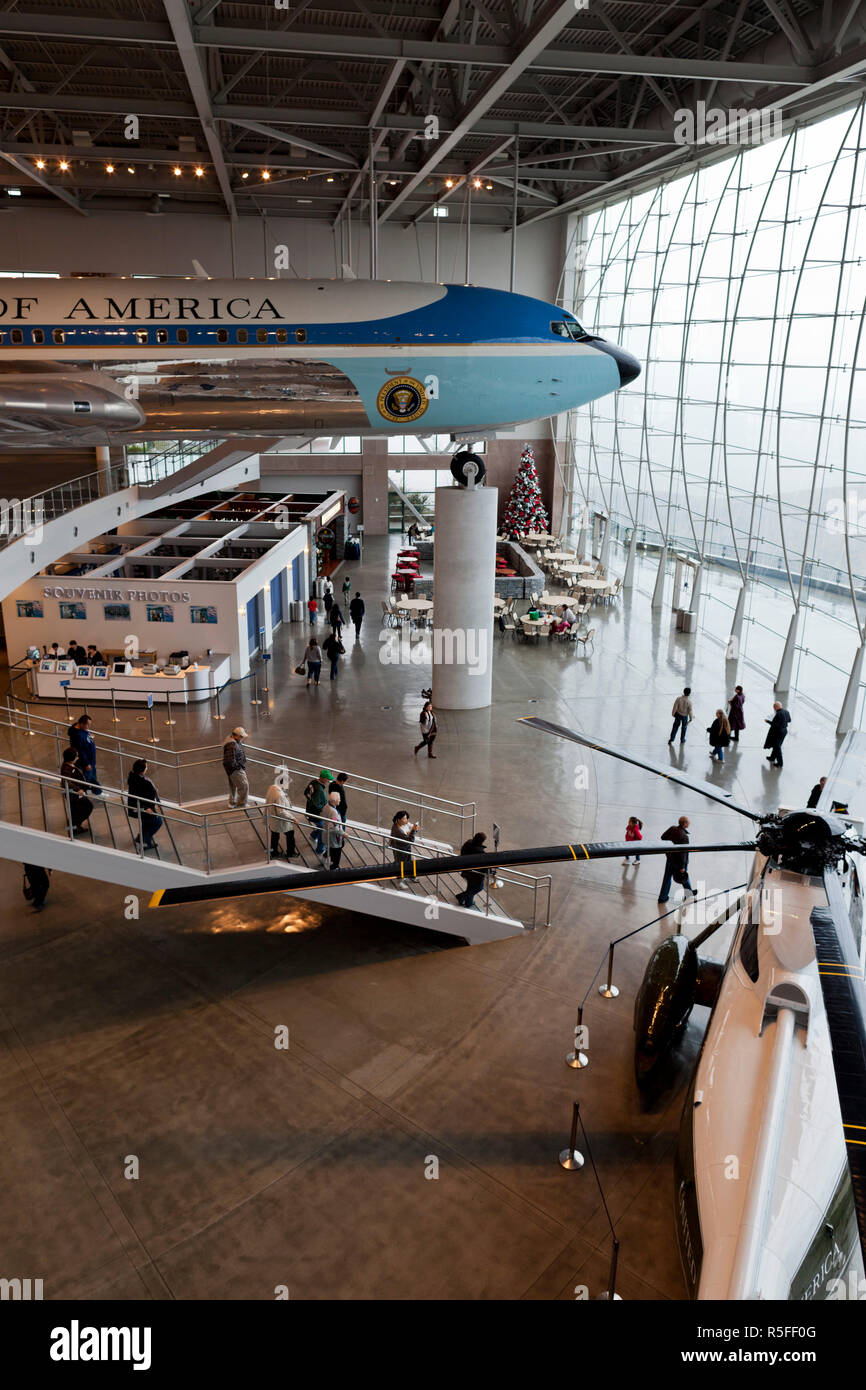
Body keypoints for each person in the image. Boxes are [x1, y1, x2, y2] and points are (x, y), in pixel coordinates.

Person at [658, 816, 697, 903]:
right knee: (683, 877)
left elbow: (662, 837)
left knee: (667, 878)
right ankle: (689, 894)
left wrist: (670, 847)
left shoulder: (672, 828)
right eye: (688, 822)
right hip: (679, 863)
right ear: (685, 824)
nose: (689, 823)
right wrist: (683, 866)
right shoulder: (684, 837)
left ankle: (662, 897)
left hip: (670, 859)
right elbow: (684, 853)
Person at [127, 758, 163, 851]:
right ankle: (145, 841)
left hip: (144, 806)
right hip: (143, 808)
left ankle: (141, 837)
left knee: (147, 822)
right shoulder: (140, 781)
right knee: (157, 821)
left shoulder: (135, 777)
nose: (147, 768)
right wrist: (147, 808)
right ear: (142, 770)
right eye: (146, 767)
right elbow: (137, 797)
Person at [60, 746, 93, 834]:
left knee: (76, 809)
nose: (78, 758)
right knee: (88, 807)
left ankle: (74, 824)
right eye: (76, 756)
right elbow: (66, 782)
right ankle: (74, 826)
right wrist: (78, 789)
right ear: (71, 759)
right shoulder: (67, 769)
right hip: (74, 794)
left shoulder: (68, 764)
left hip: (76, 793)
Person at [68, 714, 101, 793]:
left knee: (92, 776)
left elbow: (85, 738)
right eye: (88, 725)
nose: (88, 727)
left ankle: (97, 791)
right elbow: (81, 751)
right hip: (86, 762)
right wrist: (86, 763)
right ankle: (86, 792)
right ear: (81, 724)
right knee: (87, 778)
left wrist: (89, 736)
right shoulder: (78, 736)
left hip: (90, 761)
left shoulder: (81, 730)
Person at [456, 830, 489, 909]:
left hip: (467, 871)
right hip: (476, 874)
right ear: (482, 841)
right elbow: (484, 865)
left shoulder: (468, 843)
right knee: (479, 887)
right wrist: (489, 872)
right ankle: (461, 896)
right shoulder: (480, 852)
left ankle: (469, 903)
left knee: (470, 887)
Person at [303, 769, 333, 855]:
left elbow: (306, 793)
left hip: (310, 810)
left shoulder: (313, 782)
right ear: (323, 778)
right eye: (328, 779)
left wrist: (310, 801)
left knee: (321, 827)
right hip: (317, 814)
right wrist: (324, 810)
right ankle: (320, 849)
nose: (329, 781)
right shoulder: (319, 789)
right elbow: (316, 804)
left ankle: (313, 836)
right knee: (323, 830)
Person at [265, 778, 297, 858]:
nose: (288, 786)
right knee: (290, 834)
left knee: (275, 835)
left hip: (273, 817)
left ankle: (273, 852)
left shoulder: (272, 788)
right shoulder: (280, 796)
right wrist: (292, 818)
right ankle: (291, 852)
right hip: (280, 820)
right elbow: (281, 812)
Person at [222, 726, 249, 807]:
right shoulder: (232, 745)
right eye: (241, 736)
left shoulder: (233, 742)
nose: (242, 738)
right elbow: (229, 761)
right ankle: (242, 803)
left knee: (233, 786)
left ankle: (232, 802)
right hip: (235, 770)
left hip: (232, 770)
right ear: (236, 736)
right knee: (244, 785)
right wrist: (238, 767)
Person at [321, 790, 344, 869]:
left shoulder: (326, 806)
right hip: (333, 836)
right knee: (337, 850)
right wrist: (343, 833)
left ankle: (324, 857)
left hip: (327, 833)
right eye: (339, 799)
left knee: (331, 848)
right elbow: (334, 827)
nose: (340, 800)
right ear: (334, 801)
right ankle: (334, 866)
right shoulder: (333, 812)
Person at [764, 701, 791, 768]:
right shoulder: (787, 712)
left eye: (774, 708)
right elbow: (789, 720)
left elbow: (774, 725)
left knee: (777, 747)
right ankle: (772, 757)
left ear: (776, 707)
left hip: (778, 732)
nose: (774, 709)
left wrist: (768, 721)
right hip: (784, 731)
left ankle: (780, 763)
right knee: (776, 745)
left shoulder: (778, 714)